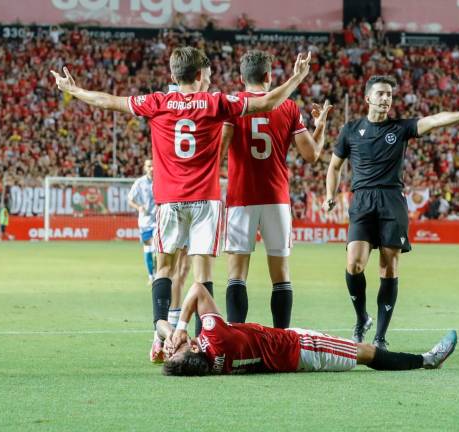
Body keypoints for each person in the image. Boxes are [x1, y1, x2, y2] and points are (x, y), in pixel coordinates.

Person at [51, 46, 312, 345]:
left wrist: (73, 89)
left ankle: (161, 332)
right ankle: (204, 343)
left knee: (165, 268)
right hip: (205, 200)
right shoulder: (214, 102)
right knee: (203, 277)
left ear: (175, 74)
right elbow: (267, 101)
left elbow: (109, 101)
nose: (211, 82)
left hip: (170, 200)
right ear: (200, 76)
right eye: (209, 76)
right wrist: (296, 77)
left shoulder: (157, 102)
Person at [325, 75, 459, 349]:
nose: (386, 98)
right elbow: (333, 167)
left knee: (388, 267)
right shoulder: (351, 130)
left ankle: (380, 336)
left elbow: (434, 120)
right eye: (380, 93)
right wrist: (330, 195)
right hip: (363, 201)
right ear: (368, 98)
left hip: (391, 200)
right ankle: (361, 318)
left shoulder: (400, 128)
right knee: (354, 264)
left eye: (389, 94)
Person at [221, 50, 332, 328]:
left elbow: (220, 149)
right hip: (276, 198)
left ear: (242, 77)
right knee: (281, 275)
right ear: (269, 76)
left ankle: (236, 337)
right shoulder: (289, 107)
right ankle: (281, 338)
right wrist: (320, 127)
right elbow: (313, 155)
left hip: (241, 196)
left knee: (236, 274)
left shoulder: (232, 105)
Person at [157, 283, 457, 376]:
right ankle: (427, 359)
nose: (179, 343)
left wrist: (167, 337)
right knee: (364, 353)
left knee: (361, 352)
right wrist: (179, 327)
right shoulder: (215, 337)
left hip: (292, 348)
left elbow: (160, 325)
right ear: (194, 347)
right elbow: (197, 289)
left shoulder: (209, 363)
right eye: (180, 347)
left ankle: (425, 359)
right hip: (301, 349)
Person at [127, 159, 156, 284]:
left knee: (158, 250)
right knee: (148, 249)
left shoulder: (162, 181)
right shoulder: (139, 183)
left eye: (154, 166)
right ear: (145, 168)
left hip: (160, 221)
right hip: (145, 222)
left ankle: (159, 275)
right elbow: (130, 200)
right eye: (149, 166)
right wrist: (138, 207)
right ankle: (151, 276)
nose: (152, 168)